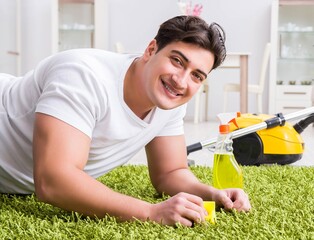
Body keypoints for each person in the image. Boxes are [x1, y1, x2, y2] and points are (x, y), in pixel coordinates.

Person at [0, 15, 251, 227]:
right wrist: (151, 212)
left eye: (196, 75)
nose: (181, 81)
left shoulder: (169, 100)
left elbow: (170, 172)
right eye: (177, 61)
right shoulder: (83, 76)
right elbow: (53, 180)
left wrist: (213, 195)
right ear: (151, 50)